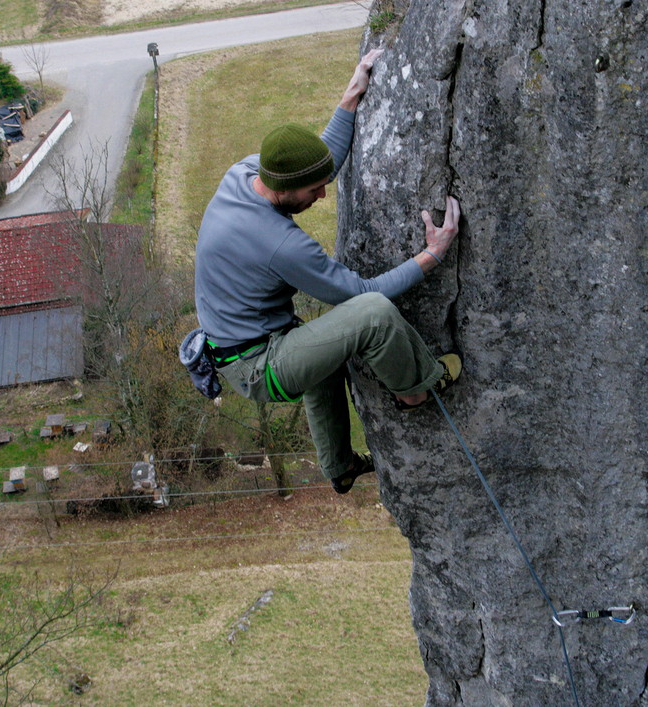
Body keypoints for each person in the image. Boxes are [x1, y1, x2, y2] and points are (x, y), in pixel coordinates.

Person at [193, 48, 462, 494]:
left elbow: (318, 164)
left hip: (242, 343)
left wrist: (353, 93)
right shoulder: (279, 243)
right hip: (257, 366)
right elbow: (361, 292)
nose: (323, 195)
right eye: (316, 190)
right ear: (285, 188)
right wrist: (431, 256)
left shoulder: (244, 174)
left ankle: (339, 467)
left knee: (323, 352)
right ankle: (415, 389)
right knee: (372, 314)